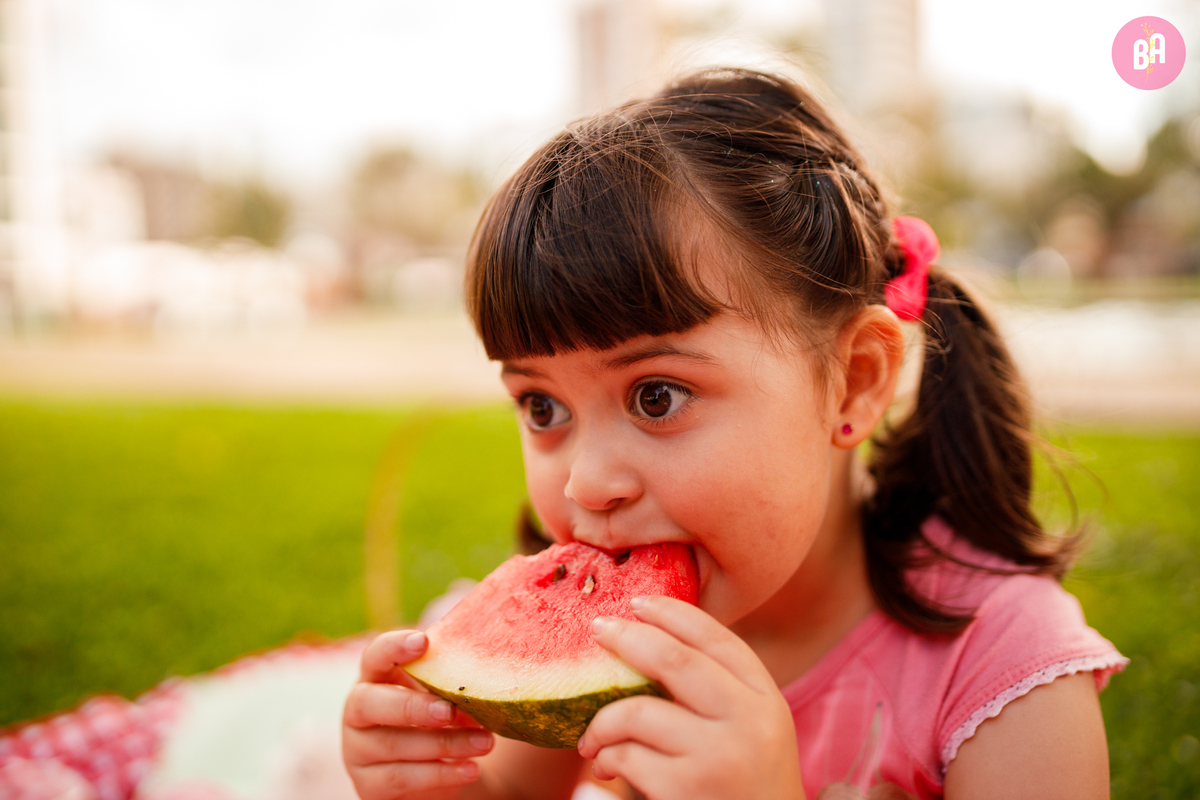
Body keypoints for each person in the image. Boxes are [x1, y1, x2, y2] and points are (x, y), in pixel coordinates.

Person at [341, 67, 1127, 800]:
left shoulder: (1004, 670)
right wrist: (446, 788)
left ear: (855, 380)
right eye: (542, 407)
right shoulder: (607, 644)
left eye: (655, 397)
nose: (586, 482)